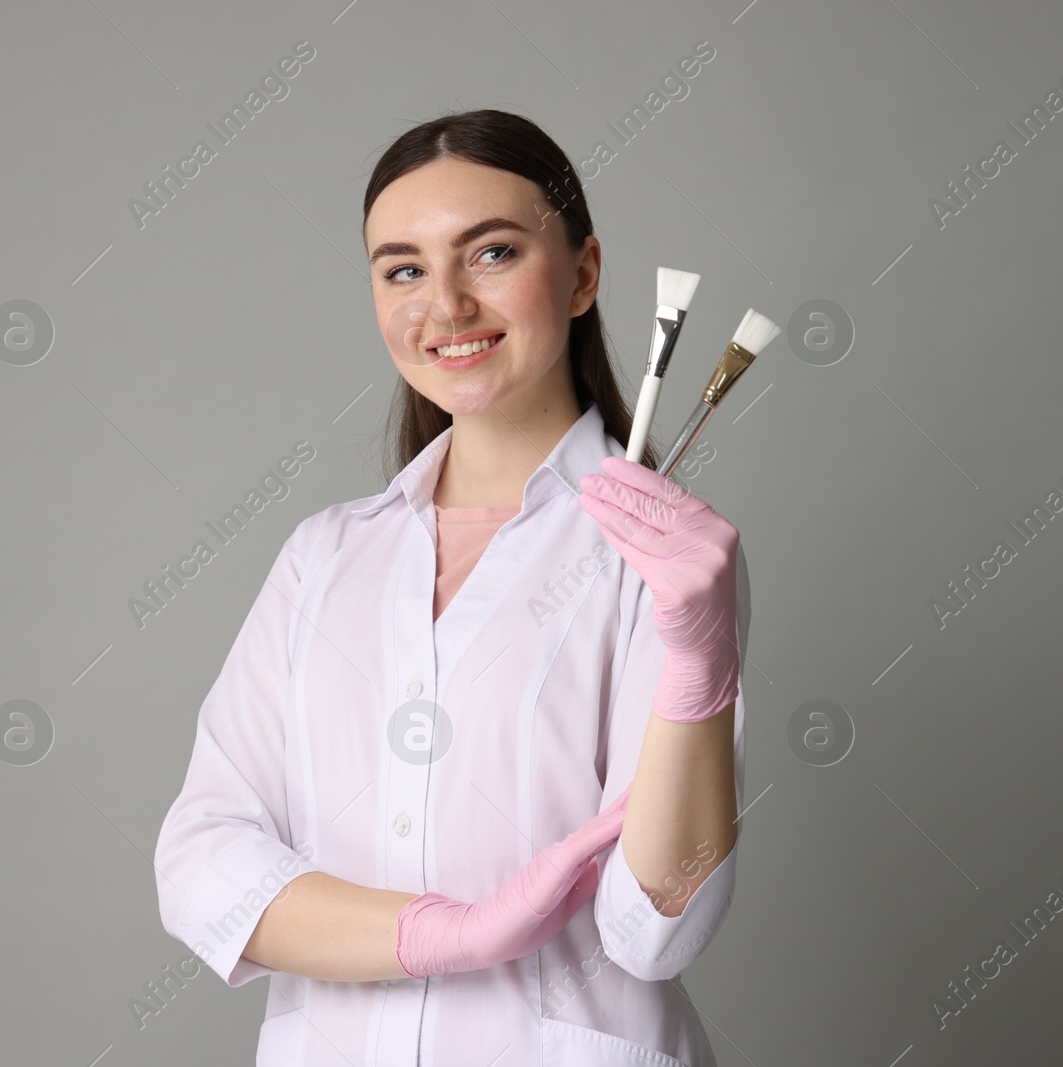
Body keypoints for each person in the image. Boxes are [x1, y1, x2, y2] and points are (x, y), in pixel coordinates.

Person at [153, 108, 752, 1066]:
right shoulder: (323, 558)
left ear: (584, 274)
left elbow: (657, 932)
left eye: (492, 253)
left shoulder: (665, 558)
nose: (445, 306)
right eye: (403, 270)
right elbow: (199, 865)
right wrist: (449, 934)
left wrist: (700, 662)